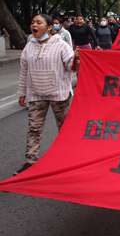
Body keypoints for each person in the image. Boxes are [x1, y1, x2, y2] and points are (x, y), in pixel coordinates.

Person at [15, 14, 75, 175]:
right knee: (34, 129)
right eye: (33, 22)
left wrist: (77, 59)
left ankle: (67, 160)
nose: (34, 24)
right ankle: (30, 161)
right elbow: (24, 71)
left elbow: (71, 66)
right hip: (35, 94)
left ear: (48, 27)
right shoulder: (29, 46)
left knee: (64, 129)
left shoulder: (61, 45)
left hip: (59, 94)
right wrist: (22, 93)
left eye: (38, 22)